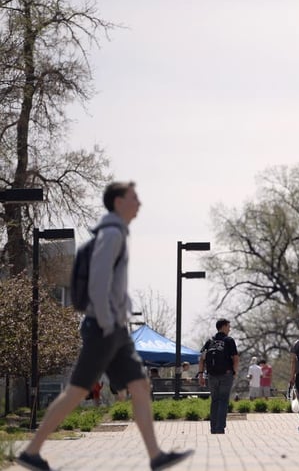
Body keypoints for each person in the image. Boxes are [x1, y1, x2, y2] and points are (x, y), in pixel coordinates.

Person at [16, 181, 193, 471]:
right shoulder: (111, 235)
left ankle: (156, 456)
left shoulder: (115, 233)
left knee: (139, 386)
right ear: (119, 202)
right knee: (76, 391)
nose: (140, 203)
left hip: (115, 328)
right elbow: (98, 282)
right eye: (134, 197)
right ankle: (32, 451)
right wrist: (108, 323)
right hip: (104, 327)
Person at [198, 318, 240, 434]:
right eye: (228, 326)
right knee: (223, 400)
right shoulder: (229, 340)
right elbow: (236, 358)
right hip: (226, 374)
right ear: (224, 326)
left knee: (215, 400)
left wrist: (201, 374)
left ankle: (213, 427)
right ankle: (220, 427)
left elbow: (201, 359)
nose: (229, 329)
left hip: (211, 375)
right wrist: (235, 372)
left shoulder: (209, 341)